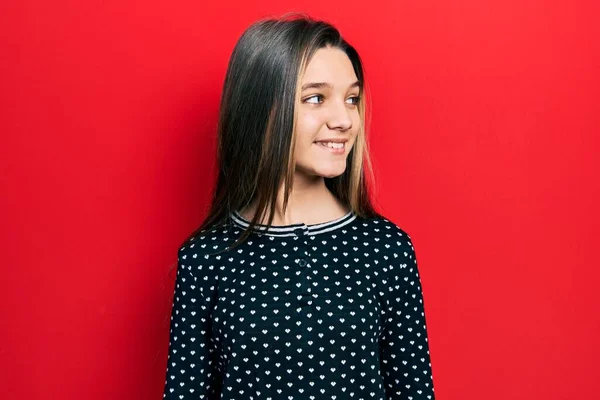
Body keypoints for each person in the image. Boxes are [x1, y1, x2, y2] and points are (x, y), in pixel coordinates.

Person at [162, 13, 436, 400]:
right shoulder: (206, 258)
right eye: (315, 98)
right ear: (260, 111)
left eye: (352, 98)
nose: (344, 119)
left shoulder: (386, 250)